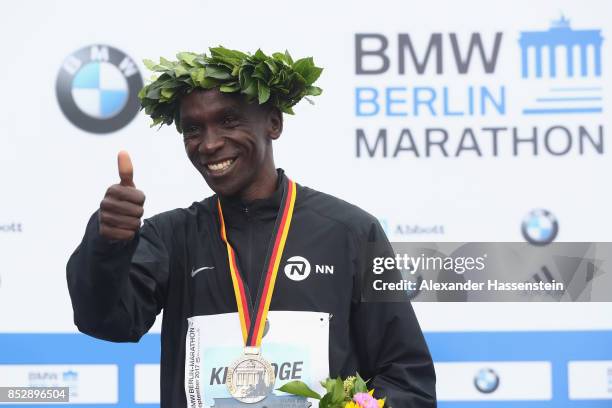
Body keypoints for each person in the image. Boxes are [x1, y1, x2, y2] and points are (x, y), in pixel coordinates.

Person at [66, 47, 436, 408]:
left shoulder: (351, 232)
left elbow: (407, 380)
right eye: (193, 129)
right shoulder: (170, 237)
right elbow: (106, 322)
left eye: (228, 121)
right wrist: (107, 245)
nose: (209, 144)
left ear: (273, 123)